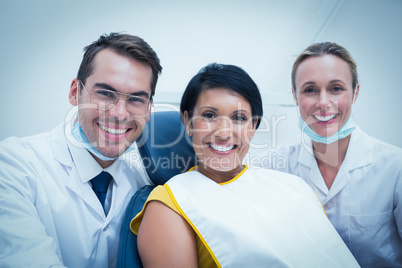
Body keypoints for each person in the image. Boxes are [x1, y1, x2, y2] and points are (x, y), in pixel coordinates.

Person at [130, 63, 359, 267]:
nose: (223, 133)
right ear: (187, 122)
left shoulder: (294, 186)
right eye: (209, 115)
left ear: (254, 125)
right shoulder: (169, 205)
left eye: (239, 118)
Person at [0, 32, 162, 267]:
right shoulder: (13, 164)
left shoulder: (146, 180)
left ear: (148, 109)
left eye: (136, 99)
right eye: (106, 93)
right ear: (75, 92)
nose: (120, 114)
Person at [257, 42, 402, 267]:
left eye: (336, 88)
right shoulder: (274, 167)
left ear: (355, 93)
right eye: (310, 90)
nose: (323, 103)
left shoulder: (395, 168)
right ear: (295, 97)